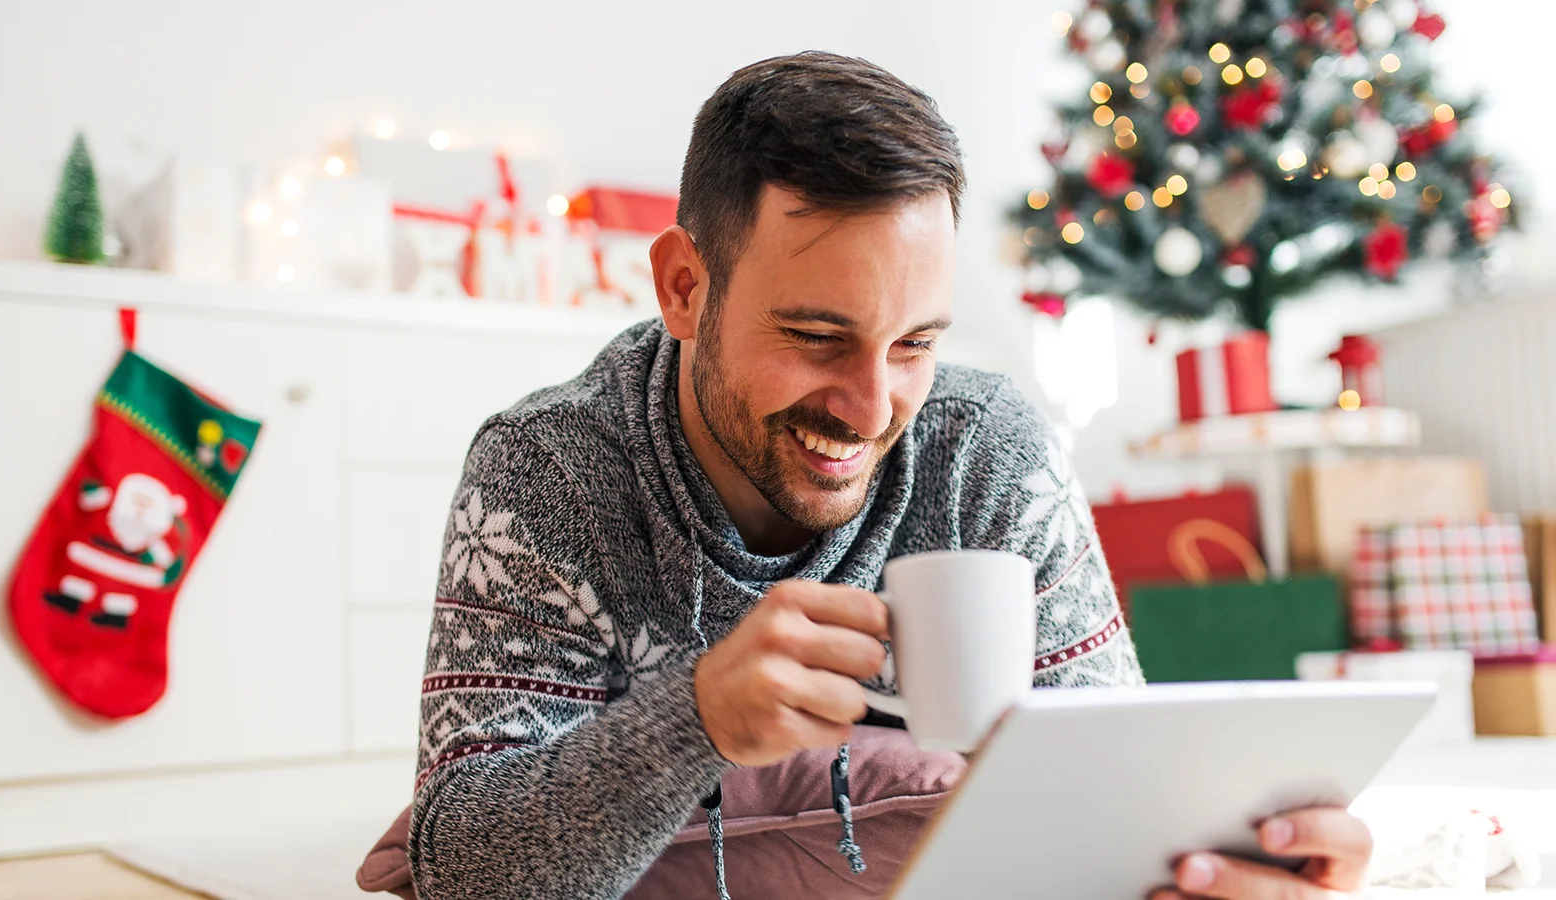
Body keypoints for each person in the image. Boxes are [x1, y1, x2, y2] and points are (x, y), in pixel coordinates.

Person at [407, 51, 1373, 900]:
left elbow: (1105, 784)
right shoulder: (551, 468)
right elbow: (460, 869)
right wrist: (695, 718)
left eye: (914, 344)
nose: (872, 410)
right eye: (817, 336)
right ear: (684, 289)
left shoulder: (986, 450)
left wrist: (1228, 864)